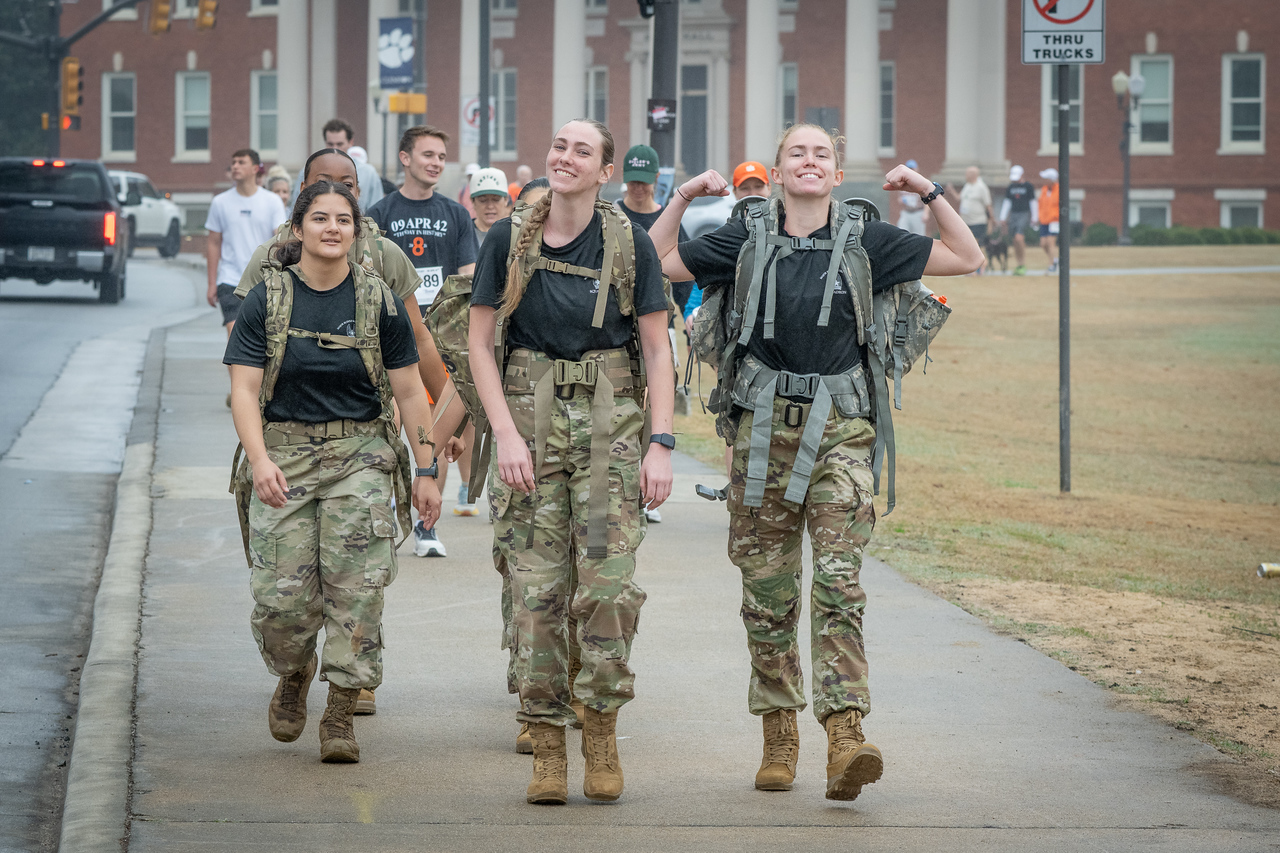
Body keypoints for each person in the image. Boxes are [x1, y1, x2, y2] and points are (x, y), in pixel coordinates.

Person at [650, 123, 982, 802]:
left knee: (838, 582)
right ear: (776, 173)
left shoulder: (870, 239)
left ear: (836, 174)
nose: (809, 161)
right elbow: (656, 262)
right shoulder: (744, 235)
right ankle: (779, 731)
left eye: (821, 154)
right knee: (768, 595)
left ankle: (845, 733)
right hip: (761, 436)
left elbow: (965, 255)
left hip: (842, 434)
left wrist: (927, 189)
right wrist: (683, 194)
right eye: (796, 153)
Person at [469, 118, 674, 805]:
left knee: (607, 588)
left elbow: (655, 348)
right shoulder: (508, 237)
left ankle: (601, 726)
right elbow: (479, 342)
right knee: (537, 595)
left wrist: (662, 443)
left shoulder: (629, 241)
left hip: (610, 426)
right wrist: (505, 432)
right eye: (557, 144)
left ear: (604, 170)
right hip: (528, 416)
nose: (564, 156)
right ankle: (547, 743)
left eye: (581, 150)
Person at [235, 149, 469, 719]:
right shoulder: (270, 290)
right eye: (320, 215)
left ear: (357, 223)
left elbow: (411, 387)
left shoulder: (377, 294)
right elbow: (242, 388)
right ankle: (294, 672)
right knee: (279, 603)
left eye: (344, 215)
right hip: (283, 451)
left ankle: (343, 706)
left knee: (357, 590)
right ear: (298, 225)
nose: (332, 227)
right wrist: (259, 459)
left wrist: (430, 462)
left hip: (361, 451)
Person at [368, 127, 481, 558]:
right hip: (394, 332)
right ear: (405, 158)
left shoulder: (455, 214)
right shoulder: (381, 213)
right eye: (428, 155)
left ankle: (426, 526)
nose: (436, 162)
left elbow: (468, 276)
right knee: (395, 421)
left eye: (441, 156)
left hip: (441, 332)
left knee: (439, 429)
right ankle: (386, 511)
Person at [616, 144, 689, 522]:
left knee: (654, 406)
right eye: (632, 182)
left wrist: (689, 315)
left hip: (659, 326)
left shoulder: (671, 219)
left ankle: (649, 486)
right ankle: (628, 483)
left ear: (656, 180)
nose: (638, 189)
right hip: (619, 328)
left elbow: (688, 282)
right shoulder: (612, 216)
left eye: (644, 182)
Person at [206, 148, 288, 404]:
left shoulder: (271, 202)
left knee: (264, 339)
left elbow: (280, 239)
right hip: (230, 279)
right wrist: (211, 283)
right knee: (235, 335)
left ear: (256, 168)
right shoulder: (220, 202)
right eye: (233, 162)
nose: (235, 166)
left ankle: (256, 388)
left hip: (263, 281)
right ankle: (242, 391)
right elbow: (213, 243)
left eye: (241, 162)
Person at [303, 119, 385, 211]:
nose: (335, 148)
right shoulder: (310, 169)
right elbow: (299, 206)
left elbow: (376, 209)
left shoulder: (368, 173)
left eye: (340, 144)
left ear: (351, 143)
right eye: (330, 144)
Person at [998, 165, 1036, 275]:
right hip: (1013, 214)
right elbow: (1007, 202)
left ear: (1022, 175)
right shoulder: (1011, 187)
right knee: (1015, 240)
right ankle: (1019, 264)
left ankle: (1022, 264)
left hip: (1024, 214)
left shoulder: (1028, 186)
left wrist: (1034, 217)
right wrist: (1003, 217)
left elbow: (1033, 202)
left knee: (1019, 238)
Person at [958, 166, 994, 273]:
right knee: (967, 245)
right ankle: (973, 267)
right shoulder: (967, 186)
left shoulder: (982, 187)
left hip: (978, 221)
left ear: (973, 175)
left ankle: (982, 265)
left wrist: (991, 222)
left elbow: (988, 206)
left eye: (967, 173)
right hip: (966, 221)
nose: (965, 175)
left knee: (976, 245)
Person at [470, 166, 512, 240]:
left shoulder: (517, 236)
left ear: (506, 200)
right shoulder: (462, 234)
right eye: (483, 200)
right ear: (473, 201)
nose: (490, 206)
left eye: (496, 199)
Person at [1037, 167, 1060, 274]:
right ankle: (1055, 259)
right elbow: (1041, 204)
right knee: (1043, 243)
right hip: (1044, 220)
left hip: (1054, 220)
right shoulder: (1044, 190)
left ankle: (1051, 264)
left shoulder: (1059, 190)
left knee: (1051, 242)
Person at [895, 159, 926, 235]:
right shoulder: (902, 183)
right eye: (909, 169)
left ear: (916, 169)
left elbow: (928, 199)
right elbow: (899, 197)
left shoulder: (921, 182)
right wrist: (901, 200)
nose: (911, 171)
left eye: (912, 169)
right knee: (901, 232)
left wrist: (926, 213)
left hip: (917, 212)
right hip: (906, 212)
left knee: (919, 236)